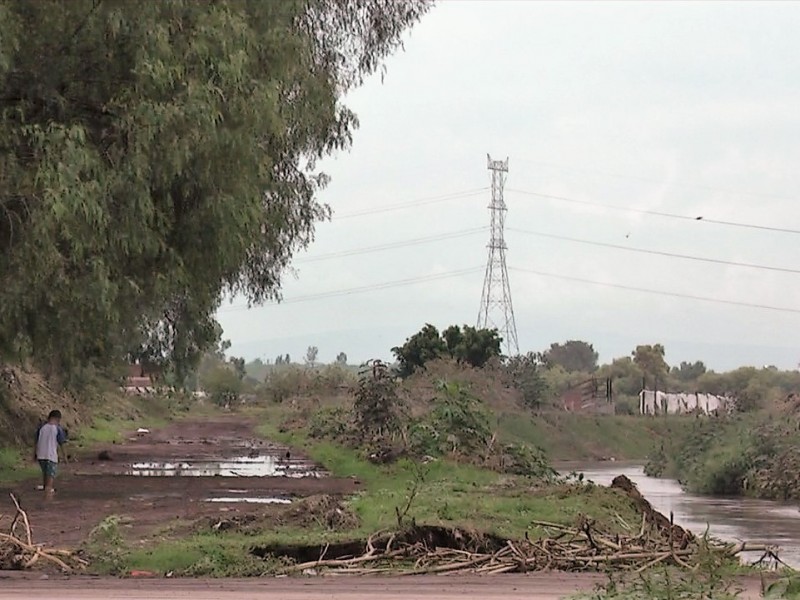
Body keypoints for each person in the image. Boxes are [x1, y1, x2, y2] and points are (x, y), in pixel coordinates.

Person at [34, 410, 67, 495]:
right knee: (50, 476)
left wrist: (35, 453)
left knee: (45, 473)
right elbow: (62, 443)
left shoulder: (41, 427)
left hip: (41, 455)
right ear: (57, 419)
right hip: (51, 456)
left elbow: (36, 442)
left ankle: (45, 487)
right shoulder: (57, 429)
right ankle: (48, 493)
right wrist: (64, 456)